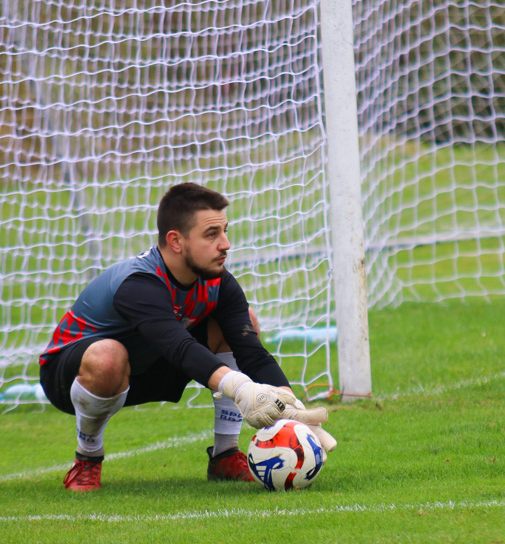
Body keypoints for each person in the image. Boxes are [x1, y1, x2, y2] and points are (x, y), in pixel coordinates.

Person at [39, 182, 335, 492]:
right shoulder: (138, 282)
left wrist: (291, 406)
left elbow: (252, 353)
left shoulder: (218, 281)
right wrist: (242, 388)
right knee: (109, 355)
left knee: (244, 321)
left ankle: (225, 455)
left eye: (225, 231)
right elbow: (178, 346)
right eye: (211, 235)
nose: (226, 244)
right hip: (73, 376)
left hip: (149, 365)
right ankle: (87, 460)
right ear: (176, 241)